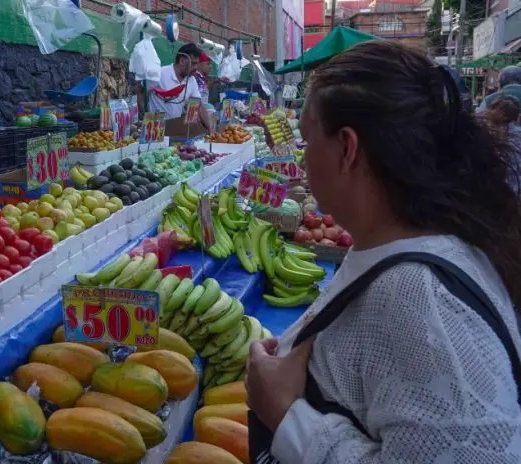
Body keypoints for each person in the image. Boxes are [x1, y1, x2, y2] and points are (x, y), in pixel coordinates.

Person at [246, 40, 521, 463]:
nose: (302, 161)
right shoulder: (419, 245)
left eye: (306, 139)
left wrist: (288, 417)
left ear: (346, 148)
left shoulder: (420, 301)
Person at [138, 43, 212, 131]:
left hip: (174, 128)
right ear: (182, 61)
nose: (196, 68)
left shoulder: (191, 81)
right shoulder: (160, 74)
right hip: (154, 128)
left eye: (197, 64)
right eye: (193, 63)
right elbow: (140, 90)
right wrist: (144, 113)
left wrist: (211, 129)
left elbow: (198, 105)